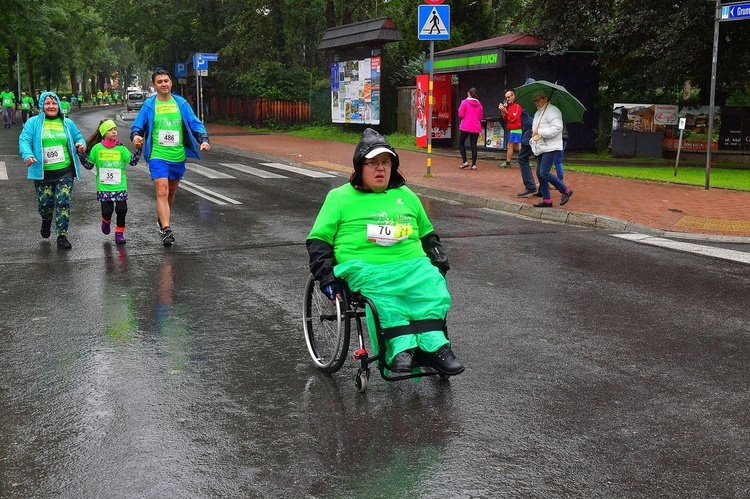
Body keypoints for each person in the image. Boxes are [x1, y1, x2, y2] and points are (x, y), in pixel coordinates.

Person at [307, 128, 464, 376]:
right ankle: (401, 348)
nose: (380, 168)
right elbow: (318, 240)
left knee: (432, 287)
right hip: (366, 266)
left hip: (412, 263)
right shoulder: (339, 198)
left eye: (385, 162)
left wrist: (437, 257)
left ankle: (436, 347)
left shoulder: (406, 195)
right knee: (385, 295)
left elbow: (427, 234)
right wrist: (326, 276)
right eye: (373, 163)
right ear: (360, 166)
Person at [130, 69, 211, 246]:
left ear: (171, 83)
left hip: (177, 155)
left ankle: (162, 218)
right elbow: (138, 126)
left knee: (172, 191)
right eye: (159, 82)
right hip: (158, 155)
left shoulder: (180, 103)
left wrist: (203, 139)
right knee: (162, 190)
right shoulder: (150, 105)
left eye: (166, 81)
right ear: (154, 85)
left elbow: (194, 123)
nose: (163, 84)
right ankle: (166, 229)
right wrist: (136, 136)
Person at [18, 91, 87, 249]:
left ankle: (62, 236)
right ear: (42, 105)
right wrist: (27, 155)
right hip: (43, 172)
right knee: (46, 205)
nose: (51, 106)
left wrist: (81, 145)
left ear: (59, 105)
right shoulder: (33, 122)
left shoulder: (67, 123)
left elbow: (79, 138)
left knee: (63, 202)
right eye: (47, 103)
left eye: (54, 103)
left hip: (65, 170)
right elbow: (24, 140)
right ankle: (46, 220)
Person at [81, 119, 141, 245]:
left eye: (115, 129)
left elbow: (133, 161)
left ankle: (119, 233)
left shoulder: (121, 148)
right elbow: (88, 165)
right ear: (103, 132)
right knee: (107, 211)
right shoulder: (97, 149)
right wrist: (81, 154)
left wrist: (138, 149)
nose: (114, 131)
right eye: (110, 129)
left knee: (122, 210)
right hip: (104, 187)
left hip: (120, 186)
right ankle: (106, 221)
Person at [529, 90, 573, 207]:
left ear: (545, 98)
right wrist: (534, 138)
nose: (536, 102)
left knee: (544, 172)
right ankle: (547, 200)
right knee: (540, 173)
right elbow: (536, 130)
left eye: (538, 100)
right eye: (535, 101)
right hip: (541, 146)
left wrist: (540, 132)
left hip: (551, 146)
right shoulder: (538, 113)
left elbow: (557, 128)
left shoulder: (553, 110)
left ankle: (566, 190)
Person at [457, 87, 483, 170]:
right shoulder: (479, 105)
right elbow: (480, 117)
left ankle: (465, 161)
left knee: (461, 143)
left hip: (466, 126)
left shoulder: (464, 102)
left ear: (469, 93)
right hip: (476, 126)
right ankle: (474, 164)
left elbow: (461, 114)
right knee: (473, 145)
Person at [515, 103, 538, 197]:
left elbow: (529, 122)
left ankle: (530, 186)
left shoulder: (529, 107)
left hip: (530, 135)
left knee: (522, 158)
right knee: (540, 161)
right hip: (534, 136)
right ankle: (542, 188)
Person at [498, 89, 522, 168]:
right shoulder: (509, 107)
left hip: (517, 128)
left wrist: (506, 111)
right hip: (513, 128)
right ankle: (523, 160)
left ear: (513, 96)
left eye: (508, 97)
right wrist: (503, 111)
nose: (507, 99)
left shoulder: (517, 107)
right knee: (515, 145)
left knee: (513, 145)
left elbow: (514, 118)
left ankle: (509, 162)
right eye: (506, 98)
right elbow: (506, 119)